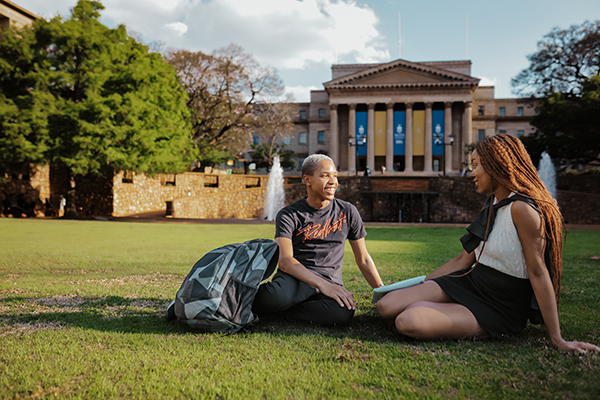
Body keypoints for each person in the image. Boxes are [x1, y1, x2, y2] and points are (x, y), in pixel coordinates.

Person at [376, 134, 599, 353]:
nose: (472, 173)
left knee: (408, 320)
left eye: (476, 165)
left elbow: (539, 273)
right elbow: (464, 259)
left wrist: (557, 339)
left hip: (500, 304)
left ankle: (466, 319)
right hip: (472, 281)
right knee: (385, 305)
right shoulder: (491, 204)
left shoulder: (523, 210)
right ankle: (443, 310)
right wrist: (421, 284)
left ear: (495, 165)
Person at [253, 154, 383, 325]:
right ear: (307, 180)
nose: (332, 181)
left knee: (343, 312)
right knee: (273, 298)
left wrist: (383, 292)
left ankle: (281, 312)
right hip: (296, 279)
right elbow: (285, 261)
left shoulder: (348, 211)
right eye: (324, 175)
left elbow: (364, 259)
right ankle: (264, 304)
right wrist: (322, 285)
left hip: (331, 280)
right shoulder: (289, 214)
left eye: (335, 175)